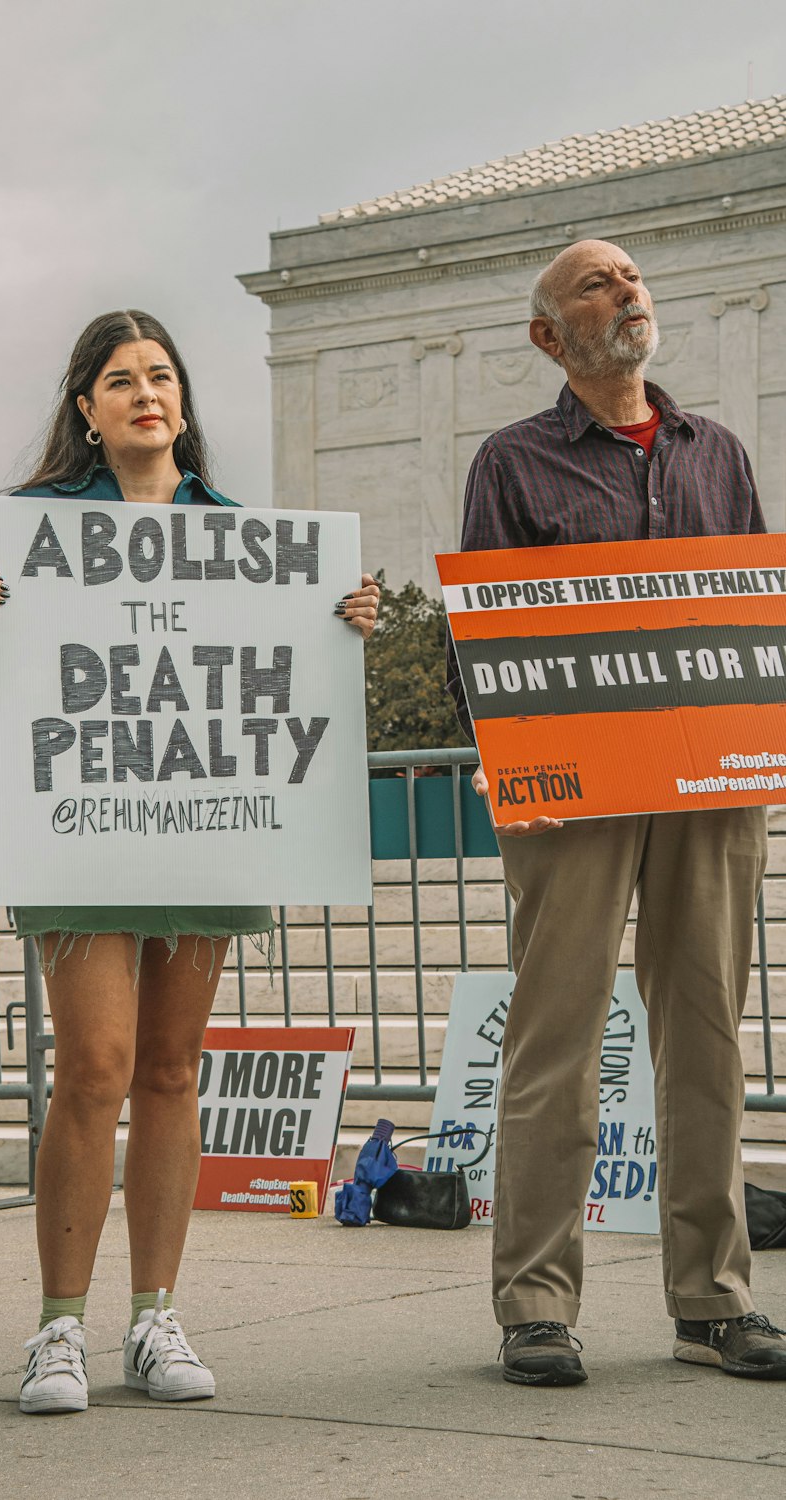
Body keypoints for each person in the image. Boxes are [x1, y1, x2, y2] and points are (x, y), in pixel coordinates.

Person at [0, 309, 380, 1414]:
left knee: (173, 1071)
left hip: (206, 829)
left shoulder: (242, 532)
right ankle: (57, 1329)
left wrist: (344, 623)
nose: (149, 391)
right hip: (85, 829)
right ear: (85, 410)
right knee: (93, 1067)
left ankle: (155, 1317)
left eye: (164, 374)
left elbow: (292, 670)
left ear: (183, 400)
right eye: (123, 378)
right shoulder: (33, 529)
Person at [446, 241, 786, 1385]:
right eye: (594, 286)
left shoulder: (717, 455)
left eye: (630, 277)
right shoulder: (512, 463)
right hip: (573, 798)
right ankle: (535, 1305)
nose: (625, 292)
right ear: (550, 338)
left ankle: (713, 1302)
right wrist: (509, 752)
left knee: (705, 1036)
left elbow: (747, 613)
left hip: (710, 789)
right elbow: (479, 641)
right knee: (557, 1039)